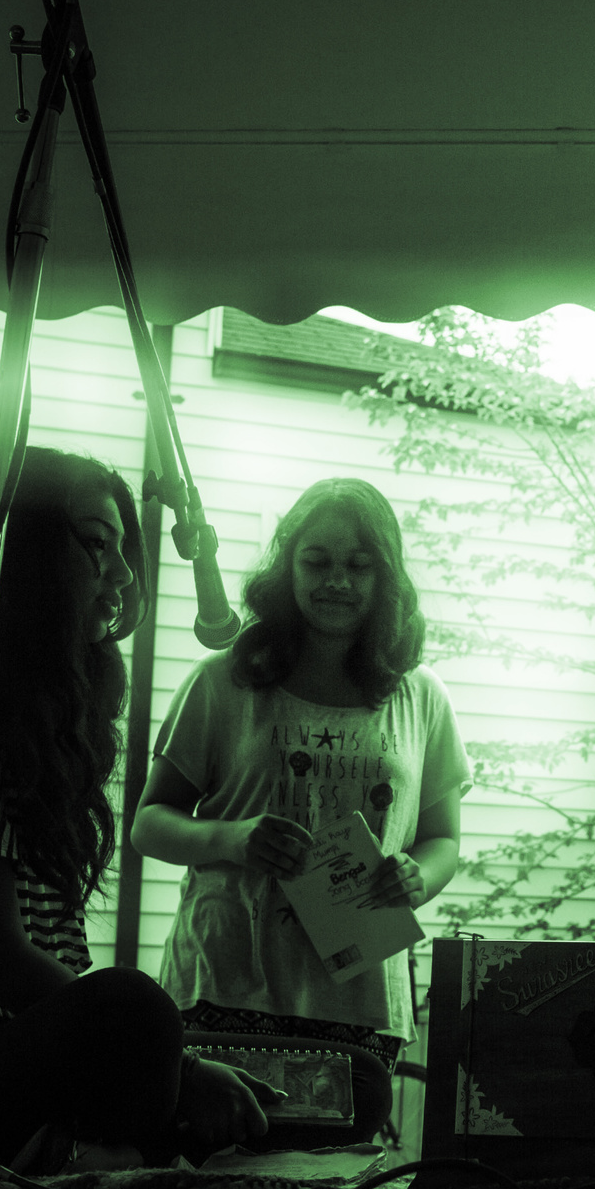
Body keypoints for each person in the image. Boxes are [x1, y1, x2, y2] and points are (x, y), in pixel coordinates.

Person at [0, 447, 270, 1172]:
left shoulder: (23, 726)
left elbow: (55, 960)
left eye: (126, 551)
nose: (125, 577)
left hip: (19, 1085)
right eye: (98, 545)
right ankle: (109, 1158)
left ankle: (118, 1151)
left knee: (347, 1090)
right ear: (21, 555)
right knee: (137, 1009)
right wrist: (174, 1065)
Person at [133, 477, 470, 1143]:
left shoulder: (422, 698)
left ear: (386, 576)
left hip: (360, 993)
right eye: (317, 561)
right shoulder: (223, 679)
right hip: (224, 986)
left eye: (358, 564)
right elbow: (148, 822)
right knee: (215, 1177)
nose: (337, 581)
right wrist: (233, 837)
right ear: (288, 564)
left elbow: (443, 841)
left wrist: (417, 877)